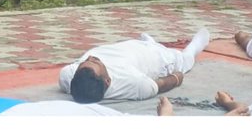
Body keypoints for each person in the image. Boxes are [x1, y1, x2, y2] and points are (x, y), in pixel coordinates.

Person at [59, 28, 210, 103]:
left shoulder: (68, 76)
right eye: (95, 61)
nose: (92, 57)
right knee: (185, 60)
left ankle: (149, 42)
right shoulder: (134, 84)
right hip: (158, 58)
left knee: (145, 44)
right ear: (107, 81)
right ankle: (196, 44)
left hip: (129, 46)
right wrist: (176, 78)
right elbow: (159, 84)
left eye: (86, 61)